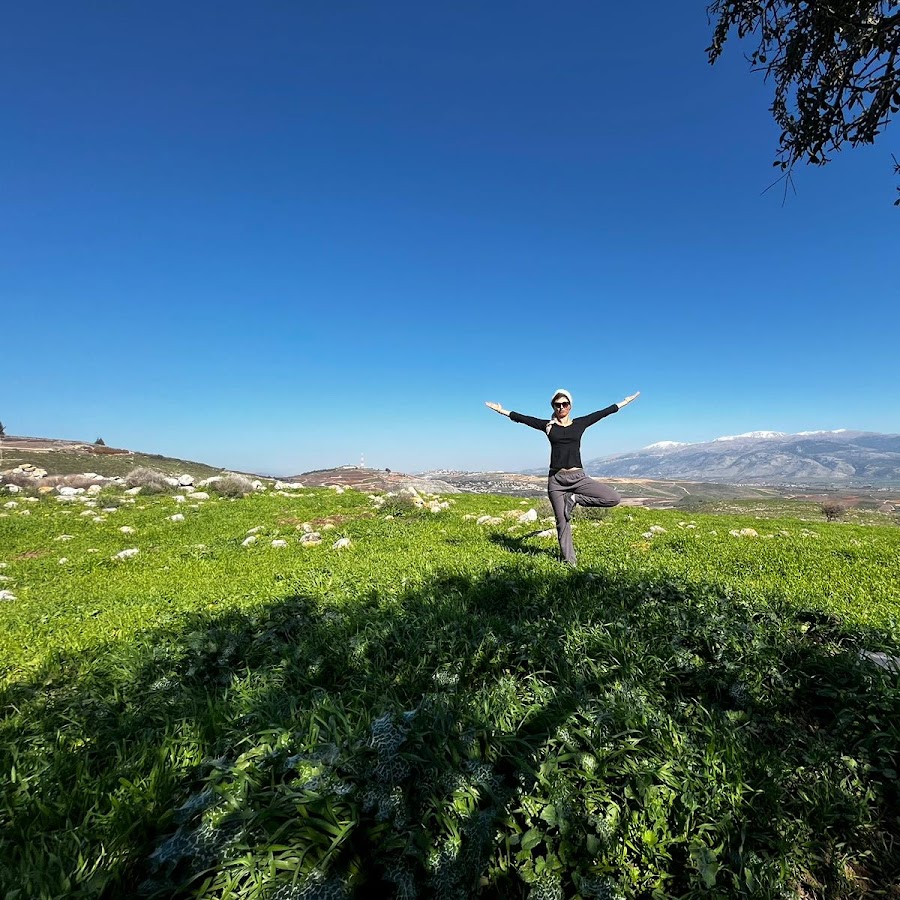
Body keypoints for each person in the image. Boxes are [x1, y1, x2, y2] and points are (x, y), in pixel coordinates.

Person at [485, 388, 640, 566]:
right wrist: (501, 410)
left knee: (613, 498)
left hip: (579, 478)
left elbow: (603, 413)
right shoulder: (548, 427)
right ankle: (570, 562)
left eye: (564, 404)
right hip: (557, 481)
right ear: (553, 407)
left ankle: (574, 499)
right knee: (562, 522)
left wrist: (625, 401)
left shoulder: (580, 423)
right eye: (557, 405)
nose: (561, 408)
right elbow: (524, 419)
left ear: (570, 406)